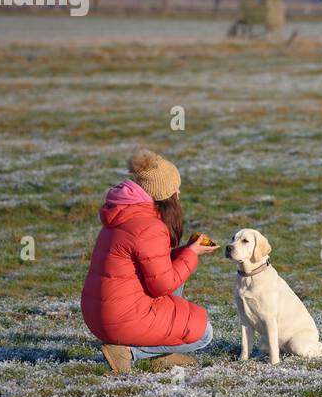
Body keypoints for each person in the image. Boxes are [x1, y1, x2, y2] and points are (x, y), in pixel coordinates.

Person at [80, 149, 219, 373]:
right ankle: (128, 352)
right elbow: (162, 285)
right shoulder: (149, 227)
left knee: (176, 277)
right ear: (164, 194)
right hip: (121, 318)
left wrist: (186, 251)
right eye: (176, 188)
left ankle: (162, 353)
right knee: (204, 334)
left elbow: (152, 268)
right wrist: (192, 255)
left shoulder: (126, 214)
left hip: (100, 313)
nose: (179, 192)